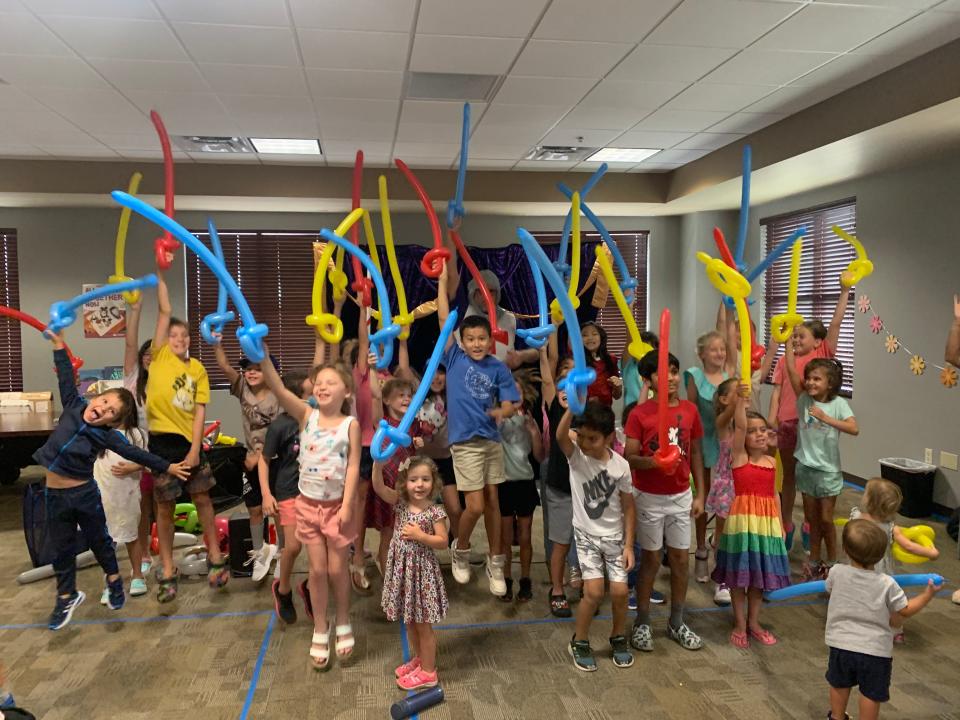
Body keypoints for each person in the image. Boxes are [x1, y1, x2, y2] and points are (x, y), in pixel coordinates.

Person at [36, 329, 189, 630]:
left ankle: (115, 578)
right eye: (104, 401)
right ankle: (67, 594)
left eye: (111, 412)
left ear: (113, 422)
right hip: (53, 495)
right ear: (96, 396)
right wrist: (57, 343)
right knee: (61, 548)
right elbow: (66, 376)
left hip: (83, 494)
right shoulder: (73, 405)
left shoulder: (106, 437)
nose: (102, 409)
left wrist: (167, 467)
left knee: (100, 542)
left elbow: (139, 454)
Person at [261, 351, 360, 671]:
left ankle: (343, 618)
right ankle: (321, 626)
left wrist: (346, 505)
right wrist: (261, 356)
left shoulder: (350, 424)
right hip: (307, 506)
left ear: (347, 391)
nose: (322, 386)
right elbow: (278, 388)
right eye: (318, 382)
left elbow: (354, 467)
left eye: (331, 382)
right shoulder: (306, 415)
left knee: (336, 570)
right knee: (317, 571)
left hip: (337, 509)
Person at [438, 260, 519, 596]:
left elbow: (513, 402)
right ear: (462, 340)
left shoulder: (497, 367)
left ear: (491, 339)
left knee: (493, 502)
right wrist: (442, 282)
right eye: (469, 338)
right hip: (465, 442)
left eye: (481, 338)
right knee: (474, 506)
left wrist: (500, 410)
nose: (475, 343)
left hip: (491, 441)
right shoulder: (454, 358)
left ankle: (495, 562)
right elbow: (444, 320)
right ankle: (461, 548)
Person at [147, 265, 227, 602]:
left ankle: (215, 557)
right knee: (164, 508)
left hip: (188, 443)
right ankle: (167, 568)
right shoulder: (158, 358)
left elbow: (199, 411)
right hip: (161, 443)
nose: (179, 339)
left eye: (185, 336)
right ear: (165, 341)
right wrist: (161, 275)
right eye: (174, 336)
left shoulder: (197, 369)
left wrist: (196, 449)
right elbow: (165, 310)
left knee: (202, 499)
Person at [624, 350, 705, 652]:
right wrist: (654, 463)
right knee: (652, 560)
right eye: (662, 372)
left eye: (674, 370)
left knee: (681, 559)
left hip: (681, 495)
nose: (670, 377)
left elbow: (695, 452)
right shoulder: (639, 414)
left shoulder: (689, 410)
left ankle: (677, 621)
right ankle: (643, 621)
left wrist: (701, 493)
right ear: (648, 379)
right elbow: (629, 457)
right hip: (648, 497)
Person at [824, 519, 941, 720]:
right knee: (871, 693)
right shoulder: (887, 583)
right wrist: (927, 595)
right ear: (880, 557)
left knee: (839, 683)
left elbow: (829, 589)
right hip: (874, 650)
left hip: (841, 644)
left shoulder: (837, 572)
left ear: (845, 549)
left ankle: (836, 716)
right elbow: (904, 610)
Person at [769, 285, 850, 550]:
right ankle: (786, 524)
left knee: (813, 480)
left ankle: (809, 524)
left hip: (813, 426)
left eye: (801, 335)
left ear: (817, 341)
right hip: (788, 423)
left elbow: (836, 323)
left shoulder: (822, 355)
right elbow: (778, 391)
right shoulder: (785, 361)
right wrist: (773, 417)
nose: (795, 339)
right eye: (793, 336)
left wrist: (845, 291)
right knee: (790, 478)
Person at [556, 402, 635, 671]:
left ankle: (618, 636)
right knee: (593, 592)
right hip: (587, 537)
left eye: (594, 438)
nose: (587, 443)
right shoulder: (576, 457)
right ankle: (580, 640)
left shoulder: (621, 466)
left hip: (614, 538)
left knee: (620, 592)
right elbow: (560, 436)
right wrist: (570, 409)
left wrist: (628, 545)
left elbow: (628, 506)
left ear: (609, 437)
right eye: (583, 436)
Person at [711, 387, 790, 647]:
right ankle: (739, 623)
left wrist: (780, 523)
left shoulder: (771, 462)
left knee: (758, 578)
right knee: (739, 577)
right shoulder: (739, 457)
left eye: (763, 430)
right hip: (742, 524)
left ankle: (754, 622)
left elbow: (775, 495)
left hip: (765, 525)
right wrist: (742, 404)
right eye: (753, 431)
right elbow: (741, 428)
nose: (759, 434)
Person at [783, 341, 858, 579]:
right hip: (805, 468)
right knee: (812, 519)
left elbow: (854, 428)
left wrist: (826, 418)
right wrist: (786, 343)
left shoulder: (838, 405)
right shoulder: (804, 399)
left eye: (817, 379)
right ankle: (814, 561)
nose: (811, 383)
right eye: (810, 378)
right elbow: (791, 370)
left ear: (830, 383)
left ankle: (834, 563)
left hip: (828, 471)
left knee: (826, 518)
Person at [372, 457, 449, 691]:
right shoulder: (401, 502)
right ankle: (420, 658)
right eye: (414, 479)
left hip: (422, 576)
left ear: (433, 482)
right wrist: (377, 464)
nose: (419, 484)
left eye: (425, 479)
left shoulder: (434, 511)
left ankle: (428, 672)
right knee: (410, 622)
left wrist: (421, 536)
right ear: (405, 482)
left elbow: (443, 541)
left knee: (423, 625)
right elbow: (378, 487)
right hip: (403, 573)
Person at [213, 344, 280, 581]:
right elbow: (224, 366)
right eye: (248, 369)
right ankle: (261, 551)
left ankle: (281, 553)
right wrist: (217, 342)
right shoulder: (242, 389)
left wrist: (261, 456)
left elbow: (278, 432)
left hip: (273, 461)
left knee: (277, 510)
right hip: (250, 462)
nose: (251, 373)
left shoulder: (277, 395)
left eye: (257, 369)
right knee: (253, 509)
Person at [849, 478, 939, 643]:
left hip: (858, 568)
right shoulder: (890, 528)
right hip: (881, 574)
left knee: (862, 599)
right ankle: (896, 630)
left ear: (868, 500)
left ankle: (861, 627)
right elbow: (910, 546)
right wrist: (930, 552)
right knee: (890, 604)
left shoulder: (856, 518)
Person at [259, 369, 312, 625]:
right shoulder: (280, 425)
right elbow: (264, 460)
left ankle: (311, 588)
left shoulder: (317, 417)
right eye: (310, 385)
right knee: (292, 546)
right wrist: (267, 494)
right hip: (287, 492)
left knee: (319, 549)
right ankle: (284, 590)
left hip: (313, 492)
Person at [684, 329, 735, 584]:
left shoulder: (728, 377)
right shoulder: (694, 376)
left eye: (723, 349)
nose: (720, 353)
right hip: (702, 441)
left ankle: (720, 548)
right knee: (702, 498)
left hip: (724, 442)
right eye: (714, 349)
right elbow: (692, 412)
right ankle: (701, 549)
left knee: (725, 498)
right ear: (702, 353)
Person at [368, 378, 424, 578]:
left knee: (406, 533)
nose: (407, 399)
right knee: (388, 534)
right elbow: (375, 396)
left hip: (404, 486)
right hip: (386, 484)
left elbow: (414, 449)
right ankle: (387, 579)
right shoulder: (383, 422)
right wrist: (374, 370)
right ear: (387, 400)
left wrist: (418, 442)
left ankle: (404, 575)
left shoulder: (413, 424)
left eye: (409, 395)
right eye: (401, 395)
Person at [497, 370, 545, 602]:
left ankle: (525, 579)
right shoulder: (497, 419)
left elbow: (539, 455)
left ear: (525, 394)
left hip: (525, 483)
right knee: (505, 537)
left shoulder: (529, 420)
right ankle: (505, 579)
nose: (513, 394)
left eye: (517, 390)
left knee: (525, 536)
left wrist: (535, 433)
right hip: (503, 484)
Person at [93, 412, 149, 603]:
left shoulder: (136, 434)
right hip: (104, 496)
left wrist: (131, 468)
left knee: (132, 536)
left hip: (128, 495)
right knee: (107, 542)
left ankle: (138, 576)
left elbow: (146, 460)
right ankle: (112, 581)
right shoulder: (98, 435)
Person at [124, 300, 155, 579]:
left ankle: (162, 552)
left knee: (163, 505)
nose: (148, 355)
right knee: (142, 506)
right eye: (147, 352)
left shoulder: (166, 379)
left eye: (154, 354)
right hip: (137, 452)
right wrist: (135, 311)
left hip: (162, 450)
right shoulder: (132, 378)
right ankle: (144, 553)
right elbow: (130, 345)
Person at [417, 365, 461, 540]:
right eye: (432, 373)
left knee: (455, 510)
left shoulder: (452, 398)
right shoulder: (417, 396)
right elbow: (404, 369)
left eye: (440, 372)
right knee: (421, 513)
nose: (436, 377)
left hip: (445, 460)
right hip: (422, 462)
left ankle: (459, 548)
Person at [705, 377, 738, 606]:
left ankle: (741, 573)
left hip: (745, 486)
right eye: (737, 392)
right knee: (723, 533)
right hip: (727, 485)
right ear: (724, 399)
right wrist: (738, 401)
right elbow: (726, 417)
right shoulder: (723, 423)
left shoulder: (748, 423)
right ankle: (722, 577)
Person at [581, 321, 622, 406]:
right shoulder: (576, 361)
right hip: (582, 414)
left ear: (601, 337)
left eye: (594, 334)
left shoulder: (611, 360)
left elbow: (617, 396)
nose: (590, 338)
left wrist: (618, 387)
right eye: (584, 335)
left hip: (605, 413)